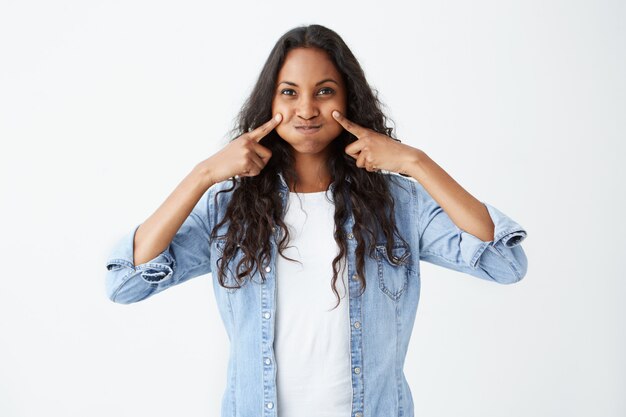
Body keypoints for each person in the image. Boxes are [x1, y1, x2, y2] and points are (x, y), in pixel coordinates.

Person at [104, 24, 528, 417]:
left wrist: (415, 162)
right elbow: (127, 281)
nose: (306, 109)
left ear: (348, 100)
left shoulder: (398, 204)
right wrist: (203, 174)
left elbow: (505, 263)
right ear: (270, 102)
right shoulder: (232, 208)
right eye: (289, 92)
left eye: (324, 91)